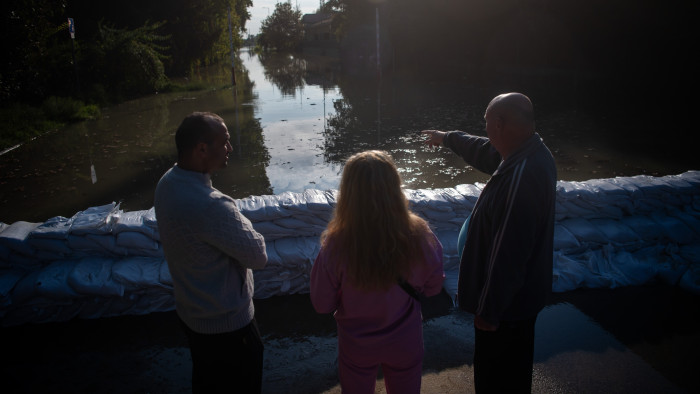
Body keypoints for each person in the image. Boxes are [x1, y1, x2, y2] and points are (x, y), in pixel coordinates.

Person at [422, 92, 557, 393]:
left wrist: (488, 310)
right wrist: (447, 138)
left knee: (496, 377)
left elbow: (507, 253)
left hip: (507, 308)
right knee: (514, 371)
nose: (484, 129)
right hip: (520, 300)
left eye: (485, 122)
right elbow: (485, 151)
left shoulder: (521, 179)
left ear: (498, 123)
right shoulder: (528, 152)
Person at [310, 150, 445, 394]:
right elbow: (434, 286)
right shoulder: (421, 234)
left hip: (357, 345)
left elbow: (322, 304)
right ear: (395, 187)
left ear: (348, 193)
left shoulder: (336, 245)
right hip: (406, 340)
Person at [154, 111, 268, 394]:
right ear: (202, 149)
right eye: (225, 142)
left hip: (193, 317)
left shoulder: (167, 183)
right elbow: (258, 255)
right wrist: (236, 216)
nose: (230, 148)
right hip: (229, 328)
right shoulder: (212, 207)